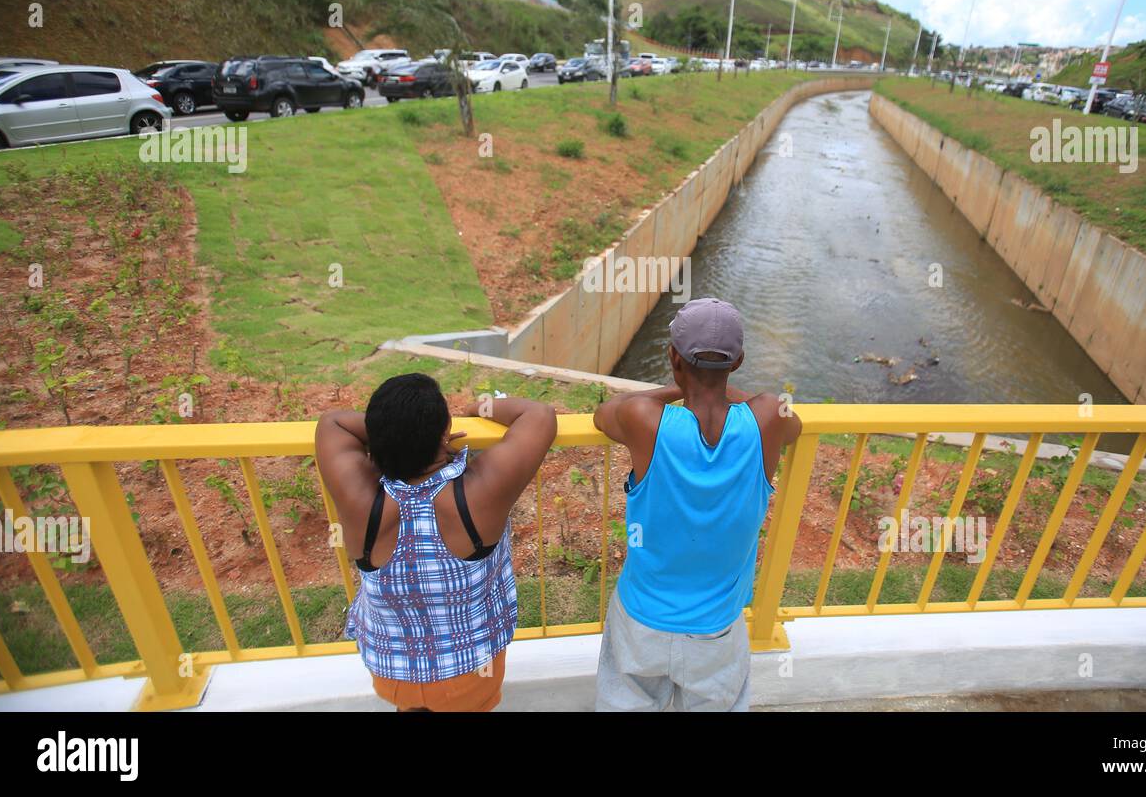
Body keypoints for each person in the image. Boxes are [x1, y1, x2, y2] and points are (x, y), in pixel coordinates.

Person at [591, 297, 802, 711]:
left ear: (673, 357)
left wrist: (681, 386)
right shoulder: (768, 417)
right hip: (716, 630)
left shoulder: (644, 419)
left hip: (641, 620)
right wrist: (716, 384)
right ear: (738, 361)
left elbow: (604, 413)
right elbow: (792, 422)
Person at [316, 373, 556, 712]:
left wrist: (399, 434)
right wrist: (478, 407)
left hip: (393, 676)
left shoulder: (359, 502)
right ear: (443, 434)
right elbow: (540, 415)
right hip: (471, 674)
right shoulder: (477, 495)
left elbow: (333, 422)